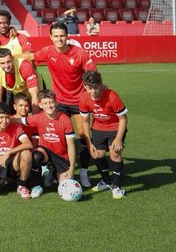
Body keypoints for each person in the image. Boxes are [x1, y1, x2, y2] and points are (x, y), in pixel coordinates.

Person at [23, 21, 97, 187]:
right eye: (56, 36)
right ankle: (50, 167)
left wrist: (91, 93)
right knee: (53, 136)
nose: (59, 39)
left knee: (83, 137)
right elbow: (30, 57)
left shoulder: (80, 53)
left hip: (79, 101)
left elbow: (93, 74)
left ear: (67, 36)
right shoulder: (48, 51)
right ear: (50, 37)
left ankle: (84, 173)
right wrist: (4, 57)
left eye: (62, 36)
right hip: (59, 102)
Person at [80, 70, 128, 199]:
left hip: (115, 128)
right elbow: (85, 121)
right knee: (97, 154)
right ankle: (106, 182)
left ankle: (117, 187)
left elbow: (123, 118)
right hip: (98, 129)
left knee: (114, 152)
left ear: (101, 84)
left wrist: (118, 139)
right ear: (84, 86)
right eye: (90, 88)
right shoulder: (84, 98)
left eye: (96, 87)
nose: (93, 91)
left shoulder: (112, 96)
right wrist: (89, 143)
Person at [26, 89, 77, 191]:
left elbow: (71, 145)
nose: (49, 106)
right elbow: (19, 120)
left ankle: (52, 171)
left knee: (65, 185)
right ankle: (37, 185)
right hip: (45, 151)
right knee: (36, 156)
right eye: (45, 103)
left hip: (61, 155)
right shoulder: (38, 117)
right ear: (40, 105)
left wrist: (72, 169)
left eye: (51, 102)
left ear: (56, 102)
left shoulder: (65, 119)